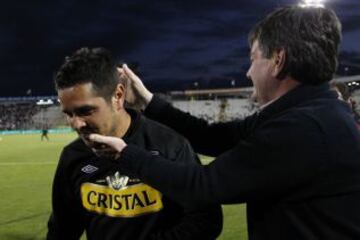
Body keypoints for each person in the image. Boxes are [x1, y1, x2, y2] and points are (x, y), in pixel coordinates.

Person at [89, 5, 360, 240]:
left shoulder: (303, 128)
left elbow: (200, 186)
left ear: (278, 60)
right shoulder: (310, 112)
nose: (248, 71)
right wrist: (148, 101)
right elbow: (213, 137)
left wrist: (124, 153)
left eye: (253, 58)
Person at [46, 47, 222, 240]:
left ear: (118, 96)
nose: (76, 124)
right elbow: (62, 231)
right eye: (68, 114)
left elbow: (206, 221)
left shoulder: (169, 144)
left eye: (85, 111)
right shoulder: (73, 156)